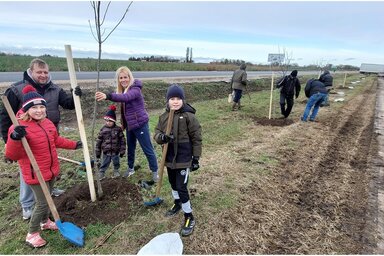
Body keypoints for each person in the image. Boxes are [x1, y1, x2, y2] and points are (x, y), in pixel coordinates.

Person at [0, 58, 82, 220]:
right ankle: (27, 205)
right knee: (28, 173)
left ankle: (48, 191)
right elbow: (4, 118)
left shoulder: (54, 89)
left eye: (45, 72)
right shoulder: (16, 90)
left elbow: (68, 104)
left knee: (48, 164)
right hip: (24, 140)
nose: (43, 75)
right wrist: (10, 143)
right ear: (31, 71)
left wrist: (75, 96)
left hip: (49, 132)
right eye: (39, 72)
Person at [5, 85, 82, 248]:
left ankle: (45, 221)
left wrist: (74, 145)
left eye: (42, 106)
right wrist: (14, 137)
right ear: (26, 109)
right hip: (35, 173)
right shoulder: (18, 127)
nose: (39, 110)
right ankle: (32, 234)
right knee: (42, 203)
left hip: (51, 169)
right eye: (34, 107)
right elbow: (12, 155)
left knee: (47, 200)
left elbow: (57, 140)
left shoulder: (47, 123)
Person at [95, 66, 159, 182]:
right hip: (130, 125)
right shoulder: (122, 90)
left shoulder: (135, 89)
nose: (123, 80)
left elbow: (125, 98)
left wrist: (108, 96)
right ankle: (130, 168)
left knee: (147, 149)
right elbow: (121, 98)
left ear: (130, 77)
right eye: (121, 78)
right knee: (131, 148)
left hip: (140, 124)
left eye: (125, 77)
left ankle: (155, 172)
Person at [153, 84, 202, 237]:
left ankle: (189, 216)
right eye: (172, 99)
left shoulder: (189, 117)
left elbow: (197, 138)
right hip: (169, 158)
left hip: (183, 158)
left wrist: (195, 158)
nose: (175, 101)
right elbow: (156, 133)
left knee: (182, 187)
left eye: (178, 98)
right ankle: (177, 202)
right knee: (173, 183)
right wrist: (161, 138)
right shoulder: (164, 116)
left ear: (183, 99)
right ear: (168, 100)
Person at [95, 105, 126, 180]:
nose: (108, 123)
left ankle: (116, 171)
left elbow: (122, 141)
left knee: (116, 162)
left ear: (114, 121)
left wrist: (122, 151)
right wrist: (98, 153)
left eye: (110, 121)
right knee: (104, 163)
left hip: (115, 151)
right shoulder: (103, 130)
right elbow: (99, 142)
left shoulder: (118, 129)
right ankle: (102, 172)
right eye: (106, 121)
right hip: (106, 151)